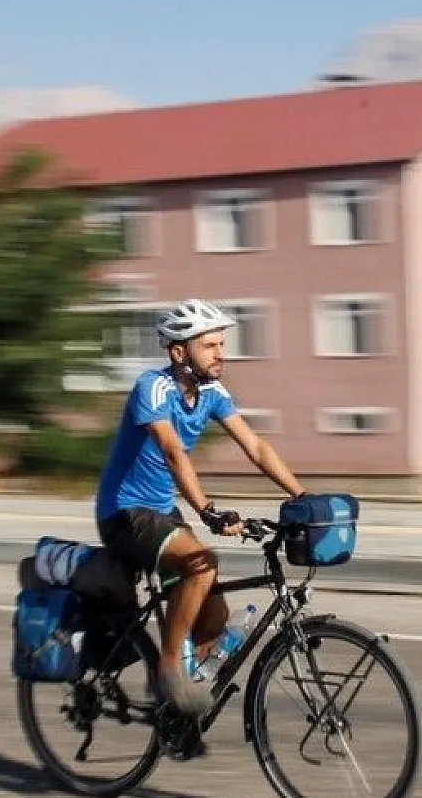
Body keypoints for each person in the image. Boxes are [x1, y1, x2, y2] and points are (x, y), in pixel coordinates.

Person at [94, 298, 307, 718]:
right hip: (124, 512)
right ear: (179, 352)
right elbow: (173, 451)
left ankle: (179, 721)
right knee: (201, 564)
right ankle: (168, 671)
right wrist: (208, 511)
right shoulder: (152, 388)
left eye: (221, 344)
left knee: (214, 616)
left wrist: (301, 497)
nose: (220, 353)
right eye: (209, 346)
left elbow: (255, 447)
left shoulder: (211, 392)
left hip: (161, 513)